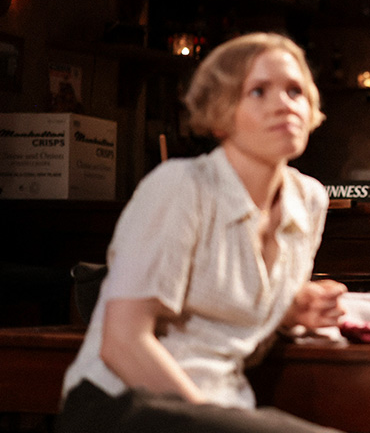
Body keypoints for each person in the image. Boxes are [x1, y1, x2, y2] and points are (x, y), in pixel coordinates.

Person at [57, 33, 347, 433]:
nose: (284, 104)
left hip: (222, 406)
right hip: (124, 405)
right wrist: (213, 421)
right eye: (258, 91)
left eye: (295, 91)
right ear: (221, 110)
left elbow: (233, 320)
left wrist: (293, 310)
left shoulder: (308, 199)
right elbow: (122, 342)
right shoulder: (181, 186)